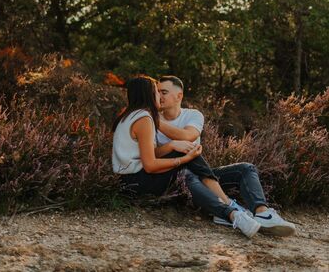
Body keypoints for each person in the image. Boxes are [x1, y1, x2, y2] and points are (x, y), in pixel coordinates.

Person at [112, 75, 263, 238]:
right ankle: (230, 210)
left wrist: (172, 145)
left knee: (187, 163)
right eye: (157, 92)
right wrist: (184, 159)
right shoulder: (144, 119)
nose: (160, 96)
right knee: (187, 165)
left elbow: (147, 154)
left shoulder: (131, 116)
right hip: (137, 182)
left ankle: (229, 210)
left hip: (128, 182)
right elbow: (150, 165)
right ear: (148, 94)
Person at [157, 75, 296, 237]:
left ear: (179, 96)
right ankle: (227, 208)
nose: (159, 96)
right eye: (157, 92)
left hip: (203, 175)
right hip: (177, 178)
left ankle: (262, 213)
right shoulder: (150, 121)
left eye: (164, 92)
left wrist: (157, 122)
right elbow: (152, 154)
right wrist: (167, 139)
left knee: (246, 168)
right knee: (188, 173)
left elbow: (188, 136)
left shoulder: (193, 115)